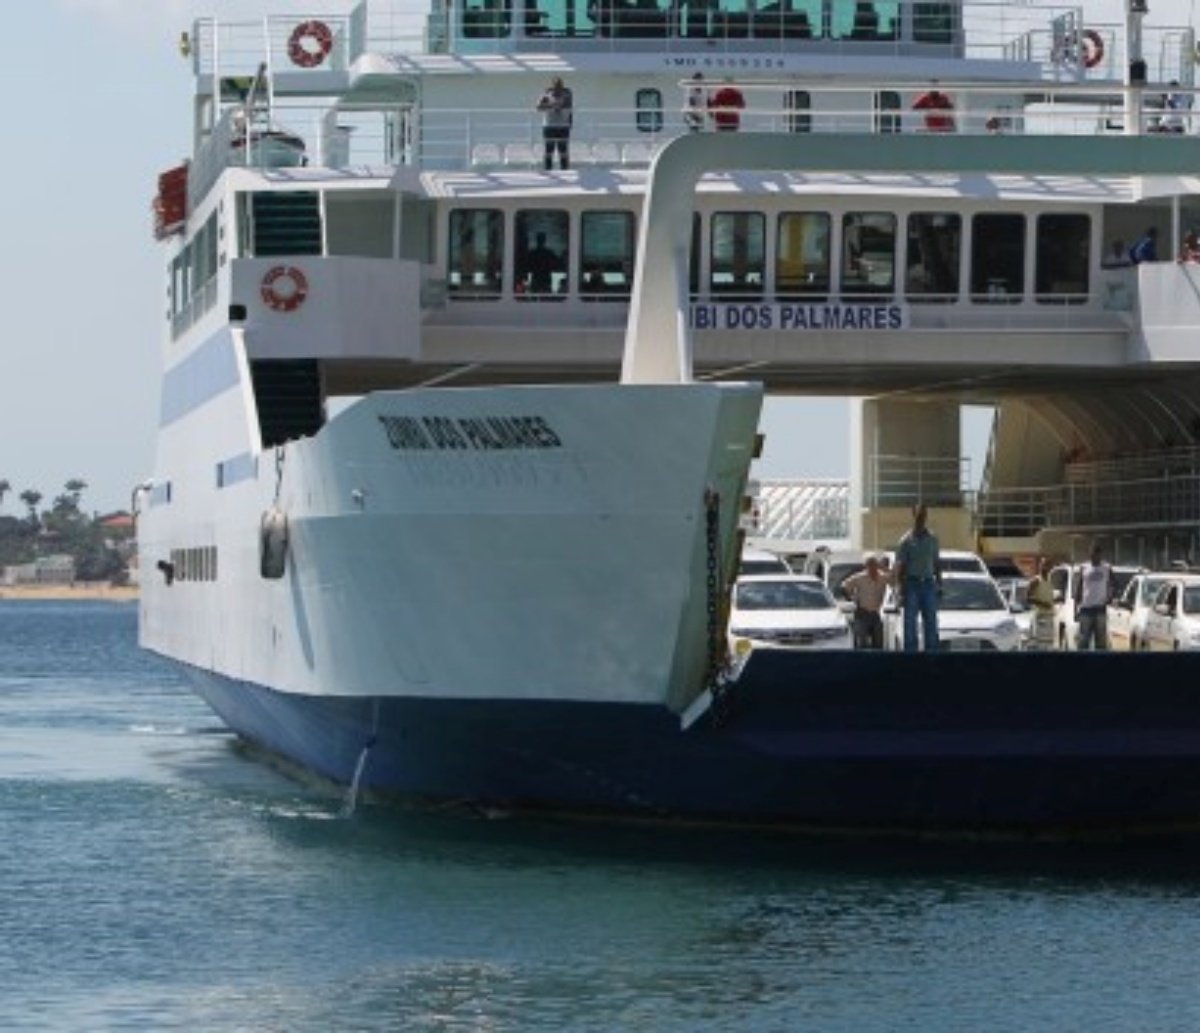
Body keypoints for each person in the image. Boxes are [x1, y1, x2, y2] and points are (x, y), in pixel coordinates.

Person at [893, 502, 941, 652]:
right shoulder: (906, 541)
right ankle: (911, 659)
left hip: (928, 584)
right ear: (913, 515)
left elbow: (936, 563)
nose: (921, 517)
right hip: (911, 584)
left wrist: (940, 584)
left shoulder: (933, 539)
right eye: (919, 514)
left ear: (926, 516)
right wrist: (900, 590)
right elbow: (901, 568)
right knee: (910, 625)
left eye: (924, 514)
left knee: (931, 623)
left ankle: (931, 658)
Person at [842, 553, 889, 649]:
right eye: (870, 565)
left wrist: (886, 568)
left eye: (874, 565)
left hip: (875, 613)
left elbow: (894, 581)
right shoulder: (860, 578)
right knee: (862, 643)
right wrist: (851, 598)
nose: (872, 568)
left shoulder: (883, 577)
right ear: (866, 567)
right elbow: (844, 586)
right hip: (862, 613)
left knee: (878, 643)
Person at [1075, 541, 1113, 650]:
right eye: (1091, 554)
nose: (1094, 557)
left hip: (1100, 609)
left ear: (1100, 555)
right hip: (1086, 608)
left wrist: (1110, 596)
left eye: (1096, 554)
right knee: (1083, 640)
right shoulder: (1084, 567)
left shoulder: (1106, 568)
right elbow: (1079, 587)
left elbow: (1114, 584)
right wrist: (1076, 608)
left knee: (1101, 641)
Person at [535, 76, 573, 170]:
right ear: (552, 85)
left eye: (559, 85)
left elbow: (569, 108)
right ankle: (548, 169)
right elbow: (538, 107)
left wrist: (570, 123)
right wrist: (552, 105)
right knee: (549, 149)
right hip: (549, 126)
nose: (558, 88)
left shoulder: (567, 94)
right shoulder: (546, 94)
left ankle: (565, 170)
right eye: (556, 86)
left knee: (563, 149)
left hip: (563, 126)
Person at [1026, 556, 1056, 651]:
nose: (1046, 568)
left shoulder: (1050, 581)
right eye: (1044, 565)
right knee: (1040, 646)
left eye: (1048, 565)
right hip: (1040, 617)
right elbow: (1028, 598)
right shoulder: (1036, 581)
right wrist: (1042, 604)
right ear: (1040, 566)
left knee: (1048, 645)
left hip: (1049, 617)